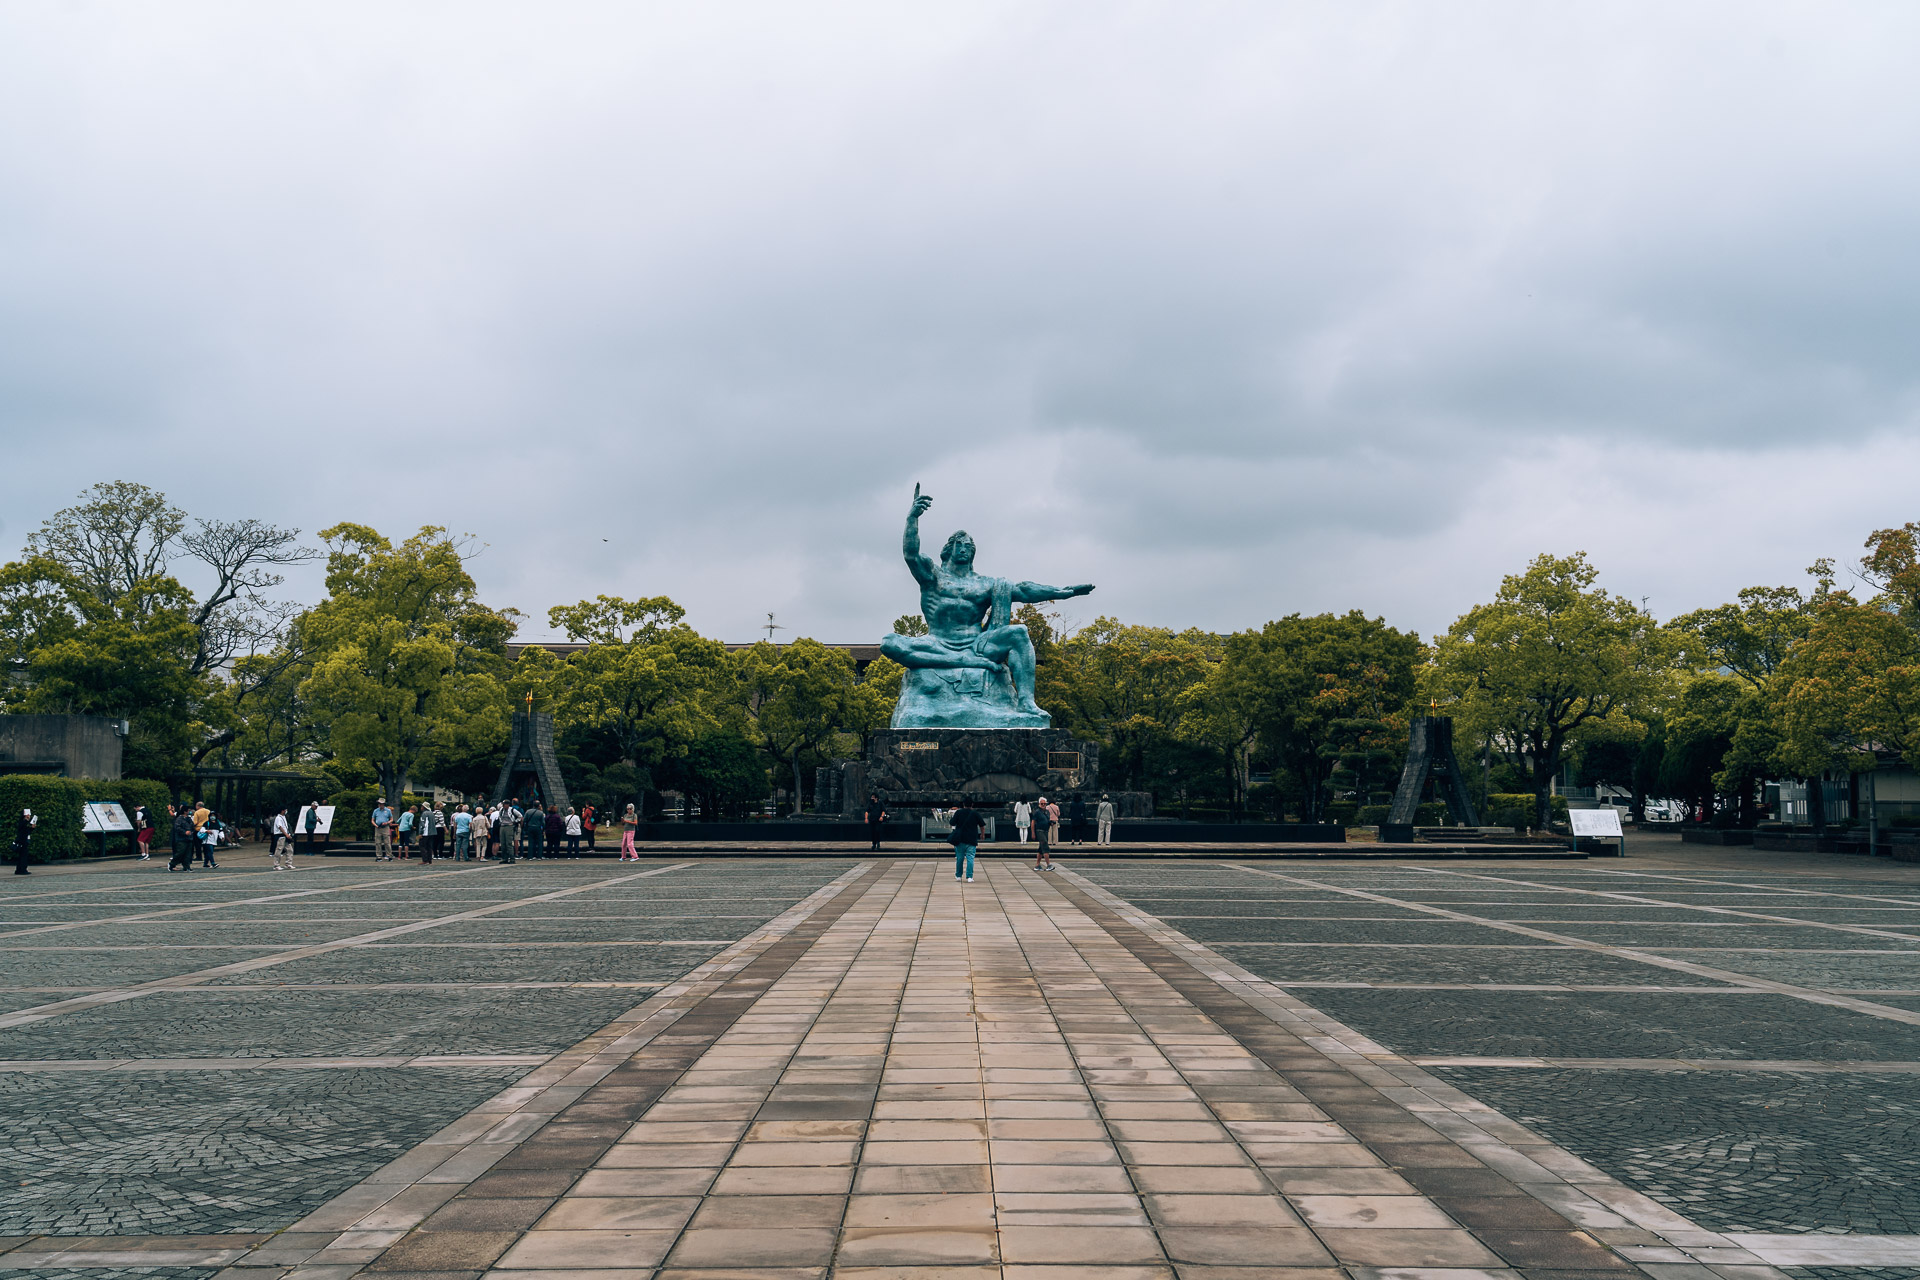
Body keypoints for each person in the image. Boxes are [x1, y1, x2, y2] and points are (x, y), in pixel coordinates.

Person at [950, 802, 985, 883]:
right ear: (972, 804)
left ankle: (958, 876)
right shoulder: (975, 813)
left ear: (963, 804)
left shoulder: (958, 812)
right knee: (970, 858)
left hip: (960, 839)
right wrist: (982, 835)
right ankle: (969, 877)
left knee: (959, 858)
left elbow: (952, 822)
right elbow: (982, 825)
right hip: (971, 839)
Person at [169, 805, 195, 872]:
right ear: (185, 811)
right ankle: (172, 864)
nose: (189, 812)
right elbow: (177, 828)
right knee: (180, 852)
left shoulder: (189, 819)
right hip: (181, 839)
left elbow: (192, 826)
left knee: (188, 854)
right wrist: (184, 832)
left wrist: (191, 832)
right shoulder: (179, 819)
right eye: (188, 810)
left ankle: (187, 866)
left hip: (189, 838)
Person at [270, 807, 296, 871]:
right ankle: (276, 865)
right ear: (282, 810)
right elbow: (280, 827)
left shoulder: (283, 817)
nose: (286, 811)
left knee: (290, 849)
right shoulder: (278, 818)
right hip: (280, 836)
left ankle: (288, 863)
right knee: (279, 850)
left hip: (285, 836)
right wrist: (286, 834)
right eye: (285, 810)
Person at [13, 807, 36, 875]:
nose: (29, 816)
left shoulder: (23, 822)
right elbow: (23, 830)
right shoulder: (23, 822)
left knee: (21, 856)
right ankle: (22, 869)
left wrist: (32, 828)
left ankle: (19, 869)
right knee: (23, 856)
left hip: (23, 841)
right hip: (22, 841)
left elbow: (26, 831)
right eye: (28, 814)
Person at [1033, 796, 1053, 870]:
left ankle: (1037, 865)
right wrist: (1033, 833)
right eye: (1042, 804)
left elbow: (1047, 820)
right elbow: (1033, 822)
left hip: (1046, 831)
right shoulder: (1037, 812)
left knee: (1041, 849)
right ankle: (1048, 865)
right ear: (1039, 804)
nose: (1043, 805)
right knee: (1045, 846)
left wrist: (1050, 823)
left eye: (1044, 803)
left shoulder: (1047, 811)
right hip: (1040, 831)